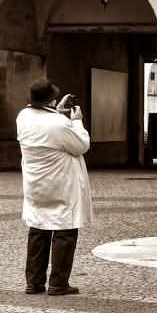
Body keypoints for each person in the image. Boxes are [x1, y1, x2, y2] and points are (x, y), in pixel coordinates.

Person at [16, 78, 93, 296]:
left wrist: (57, 111)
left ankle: (34, 282)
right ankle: (59, 283)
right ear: (50, 100)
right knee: (64, 231)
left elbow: (47, 127)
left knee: (38, 230)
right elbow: (81, 145)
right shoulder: (60, 124)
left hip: (36, 185)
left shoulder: (23, 117)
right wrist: (76, 120)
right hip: (62, 185)